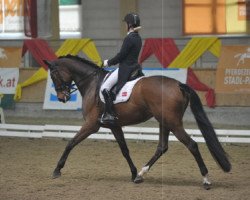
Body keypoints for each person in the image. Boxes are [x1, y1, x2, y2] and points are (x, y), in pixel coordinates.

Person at [100, 12, 142, 125]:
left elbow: (121, 56)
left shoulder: (129, 38)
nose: (125, 26)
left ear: (129, 24)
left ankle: (109, 114)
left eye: (126, 23)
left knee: (104, 88)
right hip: (135, 67)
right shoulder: (138, 38)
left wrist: (107, 62)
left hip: (125, 68)